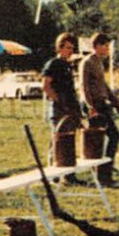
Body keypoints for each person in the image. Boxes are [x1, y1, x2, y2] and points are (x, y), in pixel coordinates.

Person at [78, 33, 119, 185]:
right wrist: (90, 107)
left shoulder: (99, 62)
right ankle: (102, 175)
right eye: (105, 45)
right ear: (97, 46)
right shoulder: (87, 62)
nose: (108, 48)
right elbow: (83, 87)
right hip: (94, 106)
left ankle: (105, 171)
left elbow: (103, 86)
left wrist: (116, 102)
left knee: (113, 136)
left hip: (102, 104)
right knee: (98, 141)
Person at [41, 33, 82, 169]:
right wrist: (59, 101)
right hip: (59, 108)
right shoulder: (53, 64)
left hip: (69, 107)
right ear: (59, 48)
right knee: (58, 141)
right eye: (68, 47)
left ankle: (68, 173)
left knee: (68, 141)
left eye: (72, 48)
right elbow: (45, 86)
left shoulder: (67, 65)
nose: (71, 51)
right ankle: (54, 172)